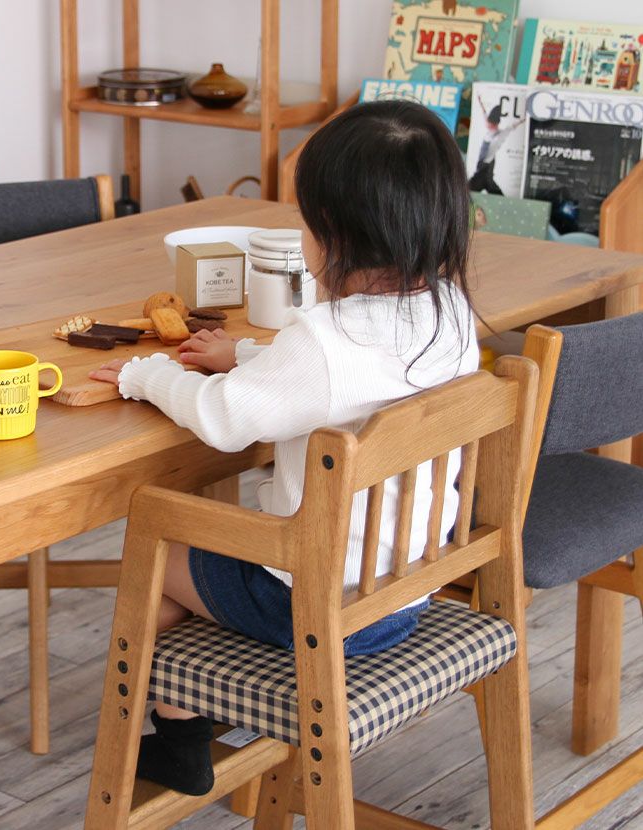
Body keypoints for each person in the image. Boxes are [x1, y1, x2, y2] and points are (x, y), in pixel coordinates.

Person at [91, 100, 480, 797]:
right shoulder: (450, 312)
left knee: (152, 552)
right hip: (406, 589)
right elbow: (329, 382)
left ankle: (180, 734)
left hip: (315, 605)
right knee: (192, 563)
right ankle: (195, 709)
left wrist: (142, 374)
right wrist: (242, 355)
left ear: (333, 233)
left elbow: (223, 420)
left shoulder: (324, 340)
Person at [468, 97, 525, 195]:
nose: (488, 124)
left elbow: (512, 126)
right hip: (481, 164)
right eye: (488, 122)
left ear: (496, 123)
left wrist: (523, 119)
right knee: (487, 185)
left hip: (486, 165)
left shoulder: (500, 135)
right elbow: (484, 113)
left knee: (474, 186)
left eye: (491, 123)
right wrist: (480, 101)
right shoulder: (488, 130)